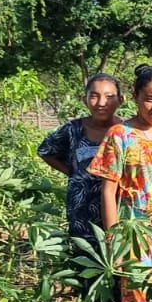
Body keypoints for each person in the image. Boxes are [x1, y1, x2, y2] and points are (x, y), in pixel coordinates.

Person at [88, 65, 152, 302]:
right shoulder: (120, 135)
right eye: (149, 99)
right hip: (135, 233)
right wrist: (114, 240)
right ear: (136, 97)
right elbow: (108, 191)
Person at [38, 73, 123, 255]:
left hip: (119, 209)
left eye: (109, 97)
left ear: (120, 100)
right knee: (85, 266)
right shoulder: (73, 130)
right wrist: (74, 173)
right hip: (81, 212)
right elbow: (45, 151)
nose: (101, 102)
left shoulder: (126, 131)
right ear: (84, 100)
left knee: (120, 264)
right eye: (94, 96)